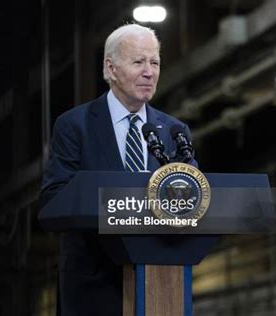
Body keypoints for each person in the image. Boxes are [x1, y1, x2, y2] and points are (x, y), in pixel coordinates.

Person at [40, 23, 197, 316]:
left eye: (155, 62)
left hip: (160, 286)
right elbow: (53, 200)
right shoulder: (75, 125)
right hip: (92, 287)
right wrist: (116, 204)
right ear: (111, 68)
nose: (149, 72)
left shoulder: (174, 131)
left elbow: (194, 201)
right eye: (138, 62)